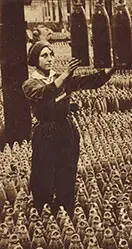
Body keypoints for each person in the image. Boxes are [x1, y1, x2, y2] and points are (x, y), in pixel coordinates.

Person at [22, 40, 116, 217]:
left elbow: (85, 82)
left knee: (67, 167)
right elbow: (46, 92)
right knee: (43, 170)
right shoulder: (30, 84)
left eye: (51, 54)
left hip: (66, 129)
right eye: (44, 55)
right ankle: (42, 210)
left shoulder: (60, 78)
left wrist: (107, 73)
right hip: (45, 132)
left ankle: (65, 207)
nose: (50, 59)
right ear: (35, 59)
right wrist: (65, 75)